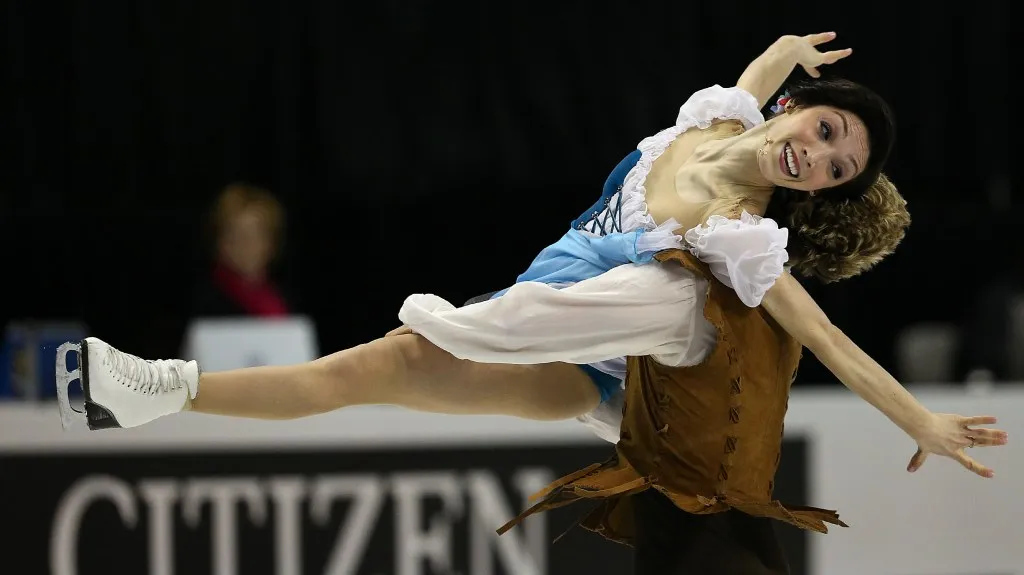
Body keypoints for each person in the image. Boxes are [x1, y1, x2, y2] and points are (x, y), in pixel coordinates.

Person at [56, 33, 1005, 570]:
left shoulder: (744, 232)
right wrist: (784, 50)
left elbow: (826, 338)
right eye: (827, 129)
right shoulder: (719, 113)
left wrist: (918, 416)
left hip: (593, 351)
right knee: (368, 367)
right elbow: (753, 82)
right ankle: (149, 393)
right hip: (550, 286)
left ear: (817, 193)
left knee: (394, 361)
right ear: (802, 105)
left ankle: (176, 384)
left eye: (837, 171)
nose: (819, 157)